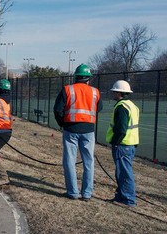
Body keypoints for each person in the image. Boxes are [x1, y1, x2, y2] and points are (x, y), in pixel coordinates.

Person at [53, 64, 103, 201]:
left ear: (75, 77)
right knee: (89, 162)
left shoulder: (67, 90)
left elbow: (58, 110)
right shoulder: (95, 92)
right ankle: (87, 193)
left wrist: (63, 123)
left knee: (69, 161)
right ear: (89, 79)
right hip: (88, 130)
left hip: (70, 129)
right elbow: (99, 108)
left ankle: (73, 192)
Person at [106, 80, 139, 208]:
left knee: (124, 172)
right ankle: (121, 196)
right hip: (130, 143)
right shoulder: (132, 106)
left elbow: (121, 129)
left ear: (119, 92)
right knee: (121, 172)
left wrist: (115, 143)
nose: (113, 93)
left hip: (123, 145)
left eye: (114, 91)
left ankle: (129, 199)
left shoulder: (121, 107)